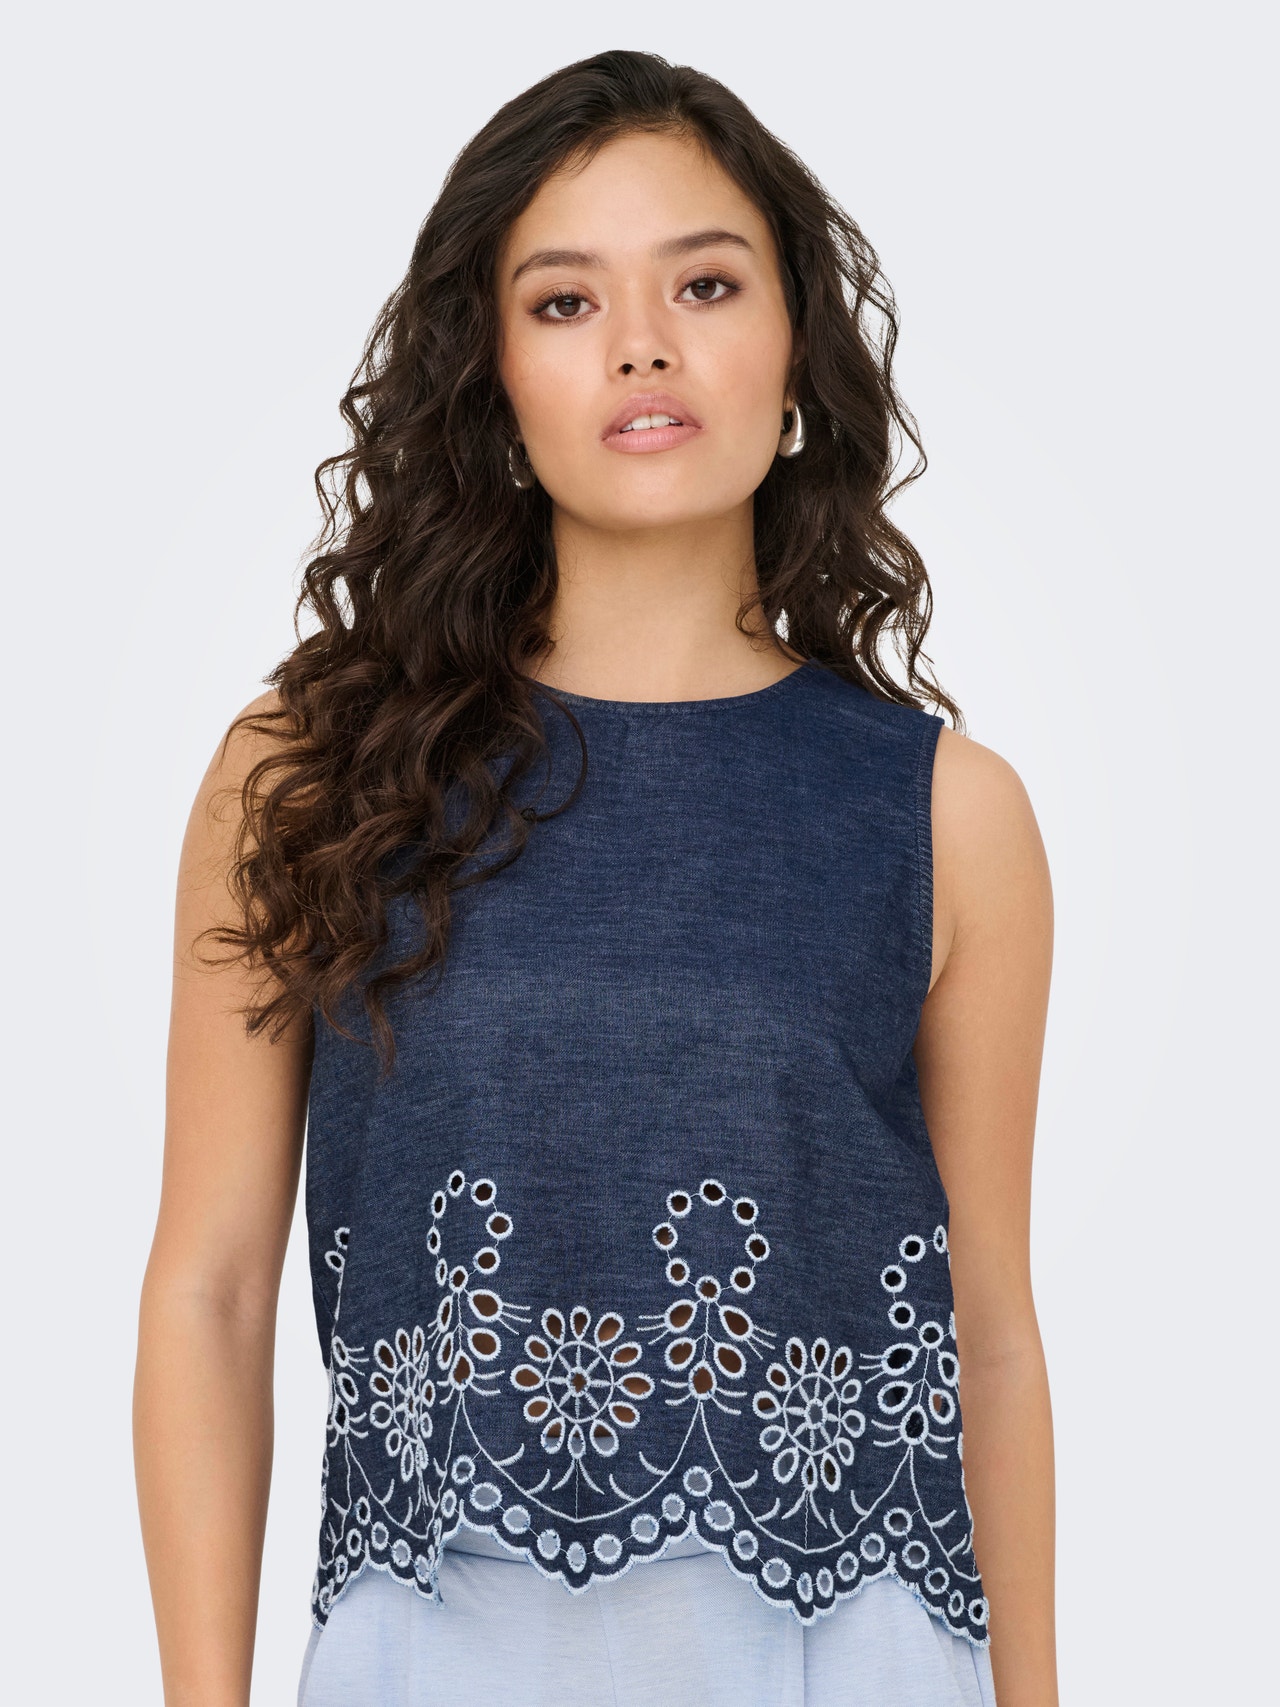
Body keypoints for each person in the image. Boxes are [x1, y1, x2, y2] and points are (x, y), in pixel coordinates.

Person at [134, 48, 1057, 1707]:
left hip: (845, 1655)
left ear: (796, 352)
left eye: (704, 283)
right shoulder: (307, 772)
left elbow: (987, 1330)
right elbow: (208, 1291)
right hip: (430, 1653)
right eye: (565, 302)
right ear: (492, 379)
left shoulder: (944, 814)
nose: (642, 342)